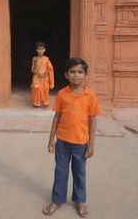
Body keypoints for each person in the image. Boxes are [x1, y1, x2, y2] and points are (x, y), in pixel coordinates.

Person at [43, 58, 100, 217]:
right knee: (60, 172)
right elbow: (57, 116)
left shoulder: (90, 95)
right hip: (62, 142)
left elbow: (93, 120)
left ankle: (80, 200)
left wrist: (91, 145)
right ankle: (57, 200)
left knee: (79, 173)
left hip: (80, 143)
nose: (76, 75)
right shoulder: (62, 94)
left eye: (80, 72)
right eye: (72, 72)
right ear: (66, 75)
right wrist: (51, 139)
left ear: (85, 74)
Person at [31, 41, 54, 108]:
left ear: (44, 50)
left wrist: (44, 73)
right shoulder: (34, 58)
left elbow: (50, 69)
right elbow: (32, 68)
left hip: (44, 77)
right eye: (38, 49)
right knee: (36, 88)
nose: (40, 51)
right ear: (36, 50)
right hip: (36, 76)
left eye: (42, 49)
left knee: (45, 90)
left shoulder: (46, 59)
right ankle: (36, 102)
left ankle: (45, 102)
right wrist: (35, 71)